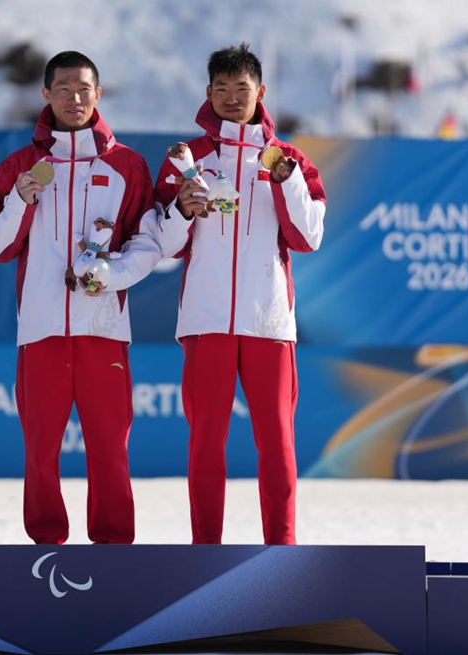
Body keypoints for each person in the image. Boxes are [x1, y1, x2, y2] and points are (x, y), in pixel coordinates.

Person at [0, 51, 160, 545]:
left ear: (98, 94)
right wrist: (19, 200)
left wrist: (112, 274)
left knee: (109, 449)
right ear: (46, 95)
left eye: (84, 89)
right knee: (40, 450)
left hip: (103, 331)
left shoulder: (128, 166)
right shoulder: (18, 168)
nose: (74, 98)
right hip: (41, 331)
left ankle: (115, 549)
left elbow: (148, 243)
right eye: (63, 89)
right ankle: (46, 549)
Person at [153, 44, 327, 545]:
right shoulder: (188, 159)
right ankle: (205, 550)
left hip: (268, 322)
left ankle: (283, 550)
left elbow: (308, 237)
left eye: (241, 88)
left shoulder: (291, 160)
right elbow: (163, 247)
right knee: (206, 443)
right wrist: (182, 209)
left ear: (260, 93)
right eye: (222, 89)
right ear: (208, 93)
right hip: (206, 322)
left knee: (276, 444)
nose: (232, 98)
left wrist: (286, 182)